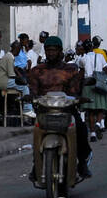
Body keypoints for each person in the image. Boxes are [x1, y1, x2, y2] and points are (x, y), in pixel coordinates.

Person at [21, 36, 91, 180]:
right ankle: (37, 164)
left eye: (53, 50)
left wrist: (79, 96)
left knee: (81, 130)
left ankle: (82, 162)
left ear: (60, 51)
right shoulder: (37, 71)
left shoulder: (70, 69)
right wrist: (30, 96)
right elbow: (33, 89)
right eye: (48, 50)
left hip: (67, 110)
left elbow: (75, 89)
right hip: (45, 110)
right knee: (37, 134)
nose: (50, 53)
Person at [79, 39, 107, 138]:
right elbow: (106, 70)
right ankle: (98, 124)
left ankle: (92, 134)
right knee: (100, 108)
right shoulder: (100, 56)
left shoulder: (82, 59)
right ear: (92, 47)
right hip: (99, 84)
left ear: (84, 48)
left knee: (90, 111)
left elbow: (81, 73)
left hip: (88, 84)